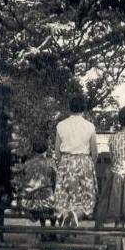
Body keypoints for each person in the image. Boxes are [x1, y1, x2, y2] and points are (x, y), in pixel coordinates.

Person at [54, 94, 99, 227]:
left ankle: (65, 214)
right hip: (84, 163)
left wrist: (64, 164)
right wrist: (90, 166)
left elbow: (57, 151)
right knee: (87, 197)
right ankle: (78, 214)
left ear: (69, 108)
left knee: (65, 196)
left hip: (66, 162)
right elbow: (94, 152)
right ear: (84, 108)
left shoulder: (61, 125)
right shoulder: (90, 126)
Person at [18, 137, 57, 226]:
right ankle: (52, 228)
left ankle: (43, 227)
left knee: (41, 196)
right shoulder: (50, 163)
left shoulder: (27, 163)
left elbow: (23, 181)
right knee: (51, 200)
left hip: (30, 202)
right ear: (46, 148)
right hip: (46, 201)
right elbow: (55, 182)